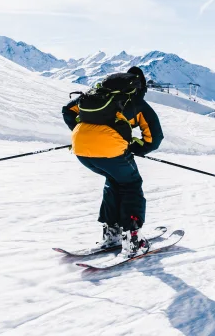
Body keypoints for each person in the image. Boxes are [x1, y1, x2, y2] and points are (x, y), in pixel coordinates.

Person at [62, 66, 163, 257]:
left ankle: (112, 233)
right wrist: (135, 148)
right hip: (111, 151)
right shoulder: (135, 103)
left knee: (114, 180)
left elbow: (67, 109)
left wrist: (84, 134)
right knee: (131, 184)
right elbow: (154, 138)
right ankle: (133, 239)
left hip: (81, 150)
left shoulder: (96, 95)